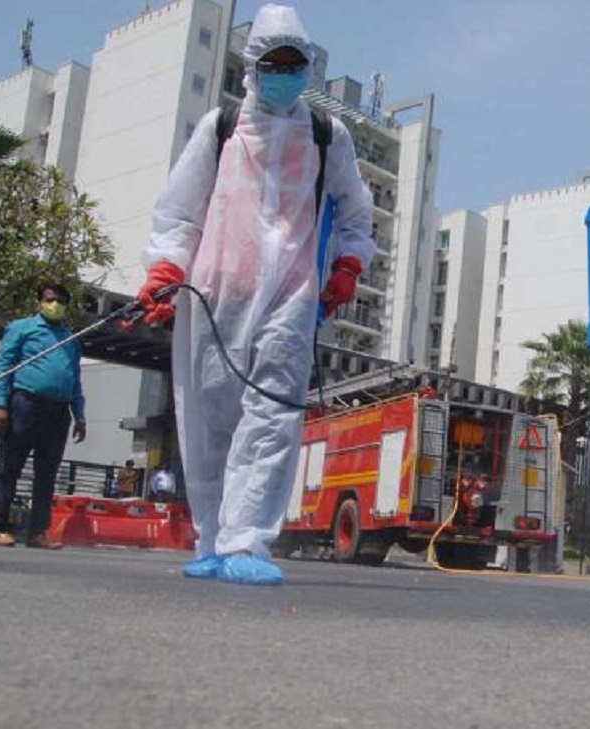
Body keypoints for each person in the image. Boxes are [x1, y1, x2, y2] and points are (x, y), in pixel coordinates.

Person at [131, 4, 373, 586]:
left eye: (295, 64)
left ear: (308, 67)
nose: (285, 74)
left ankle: (247, 541)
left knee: (273, 414)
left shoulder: (327, 134)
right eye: (274, 63)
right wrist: (165, 269)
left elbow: (356, 209)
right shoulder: (221, 127)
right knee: (210, 418)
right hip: (217, 294)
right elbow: (179, 211)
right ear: (253, 66)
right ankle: (211, 540)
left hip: (292, 294)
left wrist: (349, 264)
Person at [0, 282, 87, 549]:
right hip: (25, 404)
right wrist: (0, 404)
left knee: (47, 474)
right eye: (50, 299)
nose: (55, 305)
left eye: (60, 301)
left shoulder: (70, 339)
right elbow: (4, 365)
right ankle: (0, 528)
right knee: (10, 468)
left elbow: (75, 378)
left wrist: (79, 415)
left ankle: (38, 532)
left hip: (59, 411)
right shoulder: (22, 328)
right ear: (40, 301)